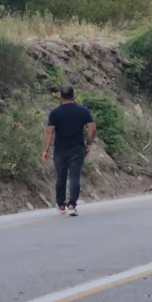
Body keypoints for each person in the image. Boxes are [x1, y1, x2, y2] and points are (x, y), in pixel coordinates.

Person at [41, 85, 96, 216]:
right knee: (74, 177)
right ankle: (72, 205)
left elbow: (50, 131)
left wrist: (46, 149)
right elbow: (92, 128)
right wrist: (88, 144)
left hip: (60, 150)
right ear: (74, 95)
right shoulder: (83, 110)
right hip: (77, 149)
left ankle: (61, 205)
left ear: (61, 96)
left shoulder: (55, 112)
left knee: (61, 177)